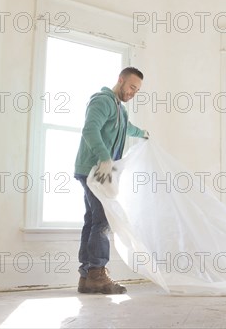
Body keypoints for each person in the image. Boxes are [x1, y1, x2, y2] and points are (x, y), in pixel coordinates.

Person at [74, 67, 149, 294]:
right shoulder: (103, 101)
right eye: (131, 87)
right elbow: (90, 130)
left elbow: (126, 129)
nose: (133, 92)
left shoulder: (120, 109)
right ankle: (97, 272)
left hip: (99, 171)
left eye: (137, 90)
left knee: (93, 220)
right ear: (121, 80)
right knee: (103, 220)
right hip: (94, 170)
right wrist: (104, 158)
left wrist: (143, 133)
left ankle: (88, 276)